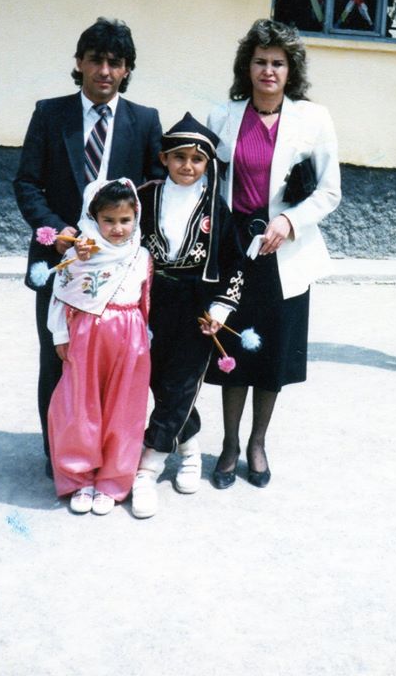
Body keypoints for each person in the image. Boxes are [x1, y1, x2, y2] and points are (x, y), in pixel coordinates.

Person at [13, 17, 163, 476]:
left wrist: (132, 246)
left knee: (110, 367)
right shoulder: (50, 114)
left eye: (115, 62)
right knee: (58, 358)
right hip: (61, 262)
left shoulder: (144, 121)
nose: (104, 71)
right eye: (95, 60)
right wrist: (56, 230)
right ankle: (57, 453)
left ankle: (105, 457)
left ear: (127, 69)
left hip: (118, 272)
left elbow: (156, 191)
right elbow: (27, 182)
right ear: (79, 63)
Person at [205, 18, 341, 489]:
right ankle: (228, 444)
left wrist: (289, 221)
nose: (268, 70)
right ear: (247, 67)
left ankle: (257, 442)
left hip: (284, 254)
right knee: (231, 348)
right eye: (260, 61)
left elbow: (329, 191)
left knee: (272, 355)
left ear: (290, 70)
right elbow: (207, 182)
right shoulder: (222, 116)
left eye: (278, 63)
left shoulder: (314, 119)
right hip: (235, 252)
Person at [130, 113, 245, 519]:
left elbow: (233, 262)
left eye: (197, 160)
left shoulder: (216, 207)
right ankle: (190, 447)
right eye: (179, 157)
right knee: (159, 380)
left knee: (181, 383)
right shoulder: (144, 197)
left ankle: (148, 467)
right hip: (149, 301)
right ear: (164, 158)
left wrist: (220, 307)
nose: (187, 166)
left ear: (207, 164)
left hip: (197, 307)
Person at [47, 178, 152, 515]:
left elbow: (146, 301)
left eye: (125, 220)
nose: (118, 228)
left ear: (136, 217)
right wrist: (60, 335)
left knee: (123, 410)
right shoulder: (80, 255)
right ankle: (81, 478)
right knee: (81, 405)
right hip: (86, 335)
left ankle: (113, 480)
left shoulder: (141, 256)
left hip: (129, 337)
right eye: (109, 220)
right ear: (94, 219)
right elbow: (60, 295)